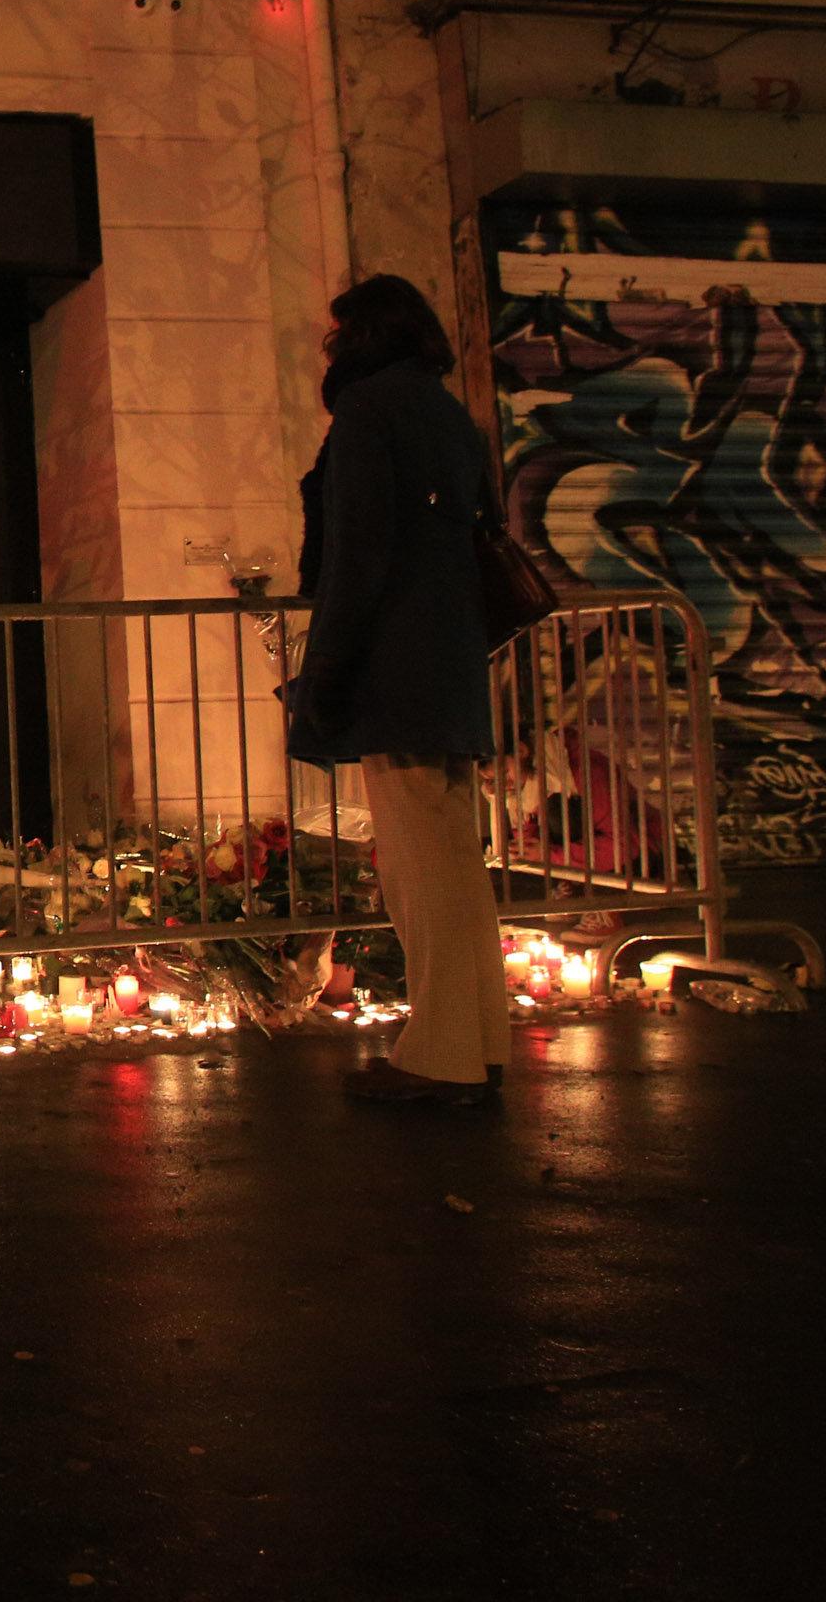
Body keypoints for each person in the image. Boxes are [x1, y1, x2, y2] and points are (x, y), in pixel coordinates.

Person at [286, 274, 508, 1106]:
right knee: (455, 864)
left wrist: (327, 672)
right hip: (449, 661)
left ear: (362, 337)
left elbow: (357, 554)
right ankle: (478, 1043)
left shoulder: (369, 413)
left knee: (420, 873)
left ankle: (442, 1057)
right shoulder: (449, 416)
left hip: (395, 664)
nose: (330, 346)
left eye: (338, 331)